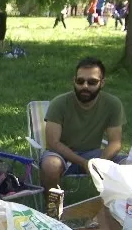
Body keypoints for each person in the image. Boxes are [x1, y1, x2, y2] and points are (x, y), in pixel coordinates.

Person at [41, 57, 126, 192]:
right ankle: (53, 204)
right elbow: (53, 143)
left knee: (129, 163)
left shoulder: (112, 104)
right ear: (74, 81)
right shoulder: (59, 103)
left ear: (102, 83)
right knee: (51, 165)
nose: (85, 86)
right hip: (61, 154)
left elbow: (115, 143)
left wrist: (98, 163)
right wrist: (83, 163)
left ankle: (118, 203)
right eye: (80, 81)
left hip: (93, 154)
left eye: (92, 82)